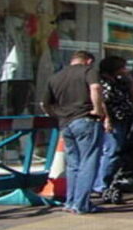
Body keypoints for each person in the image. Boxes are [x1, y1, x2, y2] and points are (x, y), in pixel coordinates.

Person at [42, 50, 105, 214]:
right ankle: (81, 204)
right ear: (89, 61)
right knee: (88, 161)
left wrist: (57, 115)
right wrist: (98, 110)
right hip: (85, 119)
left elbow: (45, 104)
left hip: (66, 123)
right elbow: (96, 88)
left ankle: (71, 202)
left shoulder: (56, 77)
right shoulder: (89, 71)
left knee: (73, 165)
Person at [93, 56, 133, 197]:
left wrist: (131, 82)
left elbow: (132, 98)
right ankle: (100, 184)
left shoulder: (120, 82)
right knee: (111, 150)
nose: (125, 70)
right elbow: (104, 101)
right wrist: (107, 119)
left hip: (125, 118)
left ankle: (112, 181)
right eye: (122, 67)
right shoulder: (104, 82)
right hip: (114, 120)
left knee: (119, 150)